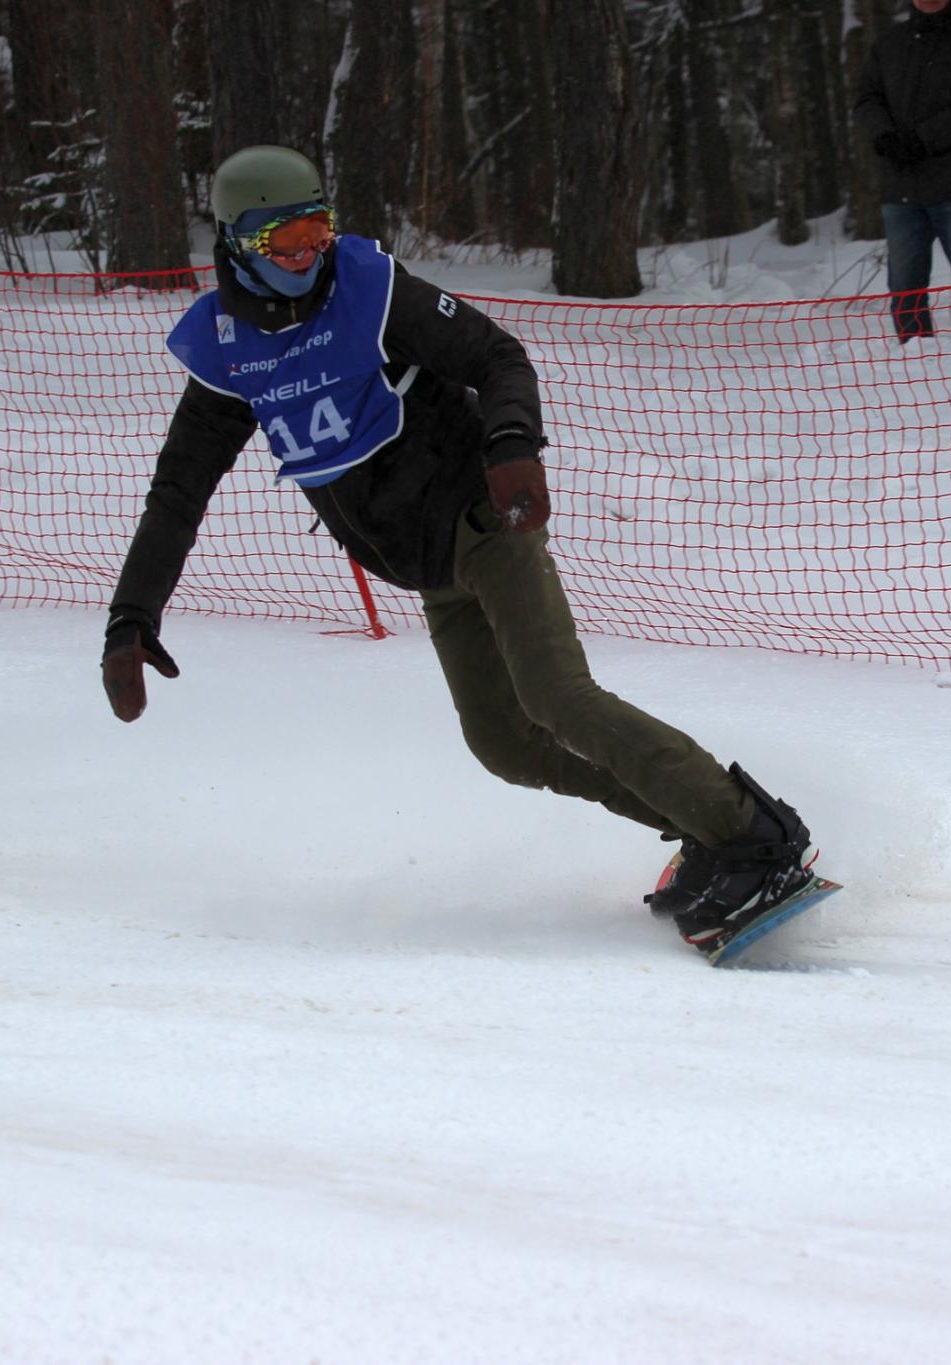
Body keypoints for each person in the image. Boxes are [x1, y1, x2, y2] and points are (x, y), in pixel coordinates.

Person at [101, 144, 816, 957]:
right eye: (282, 240)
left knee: (558, 697)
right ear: (236, 243)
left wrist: (513, 445)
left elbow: (495, 355)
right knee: (503, 742)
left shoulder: (368, 291)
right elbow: (178, 492)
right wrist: (132, 615)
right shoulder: (227, 349)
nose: (305, 255)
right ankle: (706, 830)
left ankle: (753, 834)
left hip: (485, 519)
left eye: (316, 230)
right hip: (429, 566)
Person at [853, 0, 951, 341]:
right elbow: (866, 99)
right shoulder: (889, 43)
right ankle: (914, 357)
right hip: (901, 187)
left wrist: (922, 140)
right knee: (904, 287)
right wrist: (884, 136)